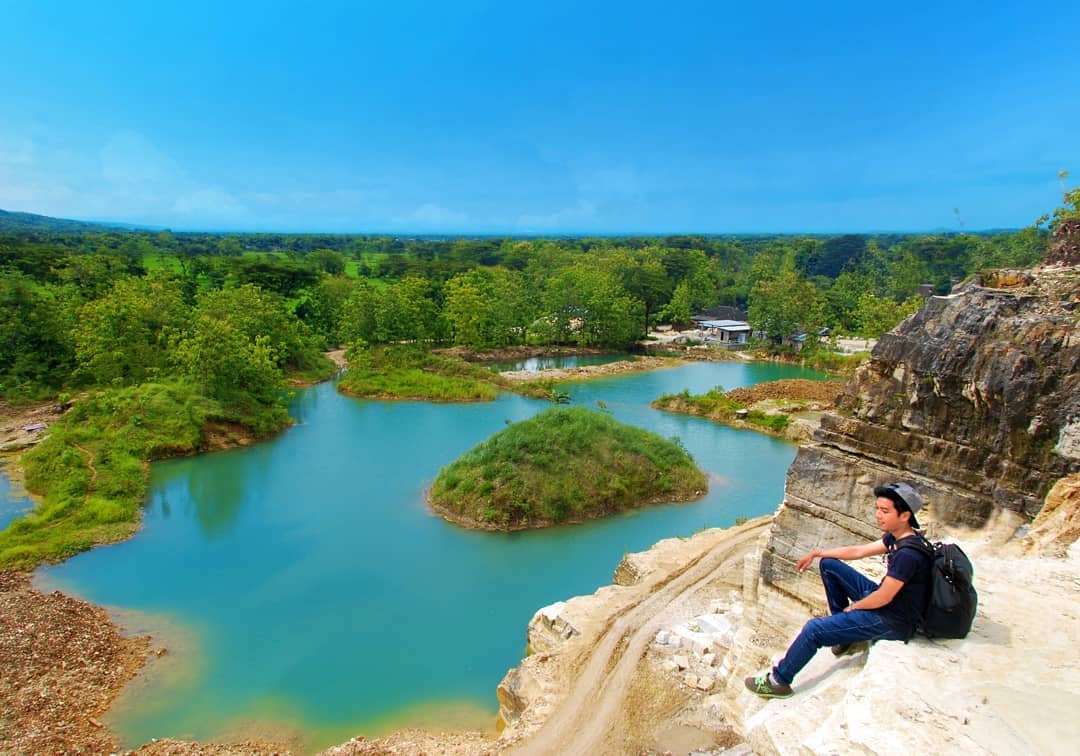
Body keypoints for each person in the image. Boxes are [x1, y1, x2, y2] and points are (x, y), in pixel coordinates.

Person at [745, 482, 931, 698]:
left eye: (885, 511)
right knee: (829, 565)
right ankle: (845, 637)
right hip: (890, 604)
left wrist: (854, 608)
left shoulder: (908, 555)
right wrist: (818, 553)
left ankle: (778, 681)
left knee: (814, 630)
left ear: (905, 515)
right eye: (877, 509)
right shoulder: (898, 537)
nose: (878, 515)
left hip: (892, 620)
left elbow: (884, 596)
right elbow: (859, 551)